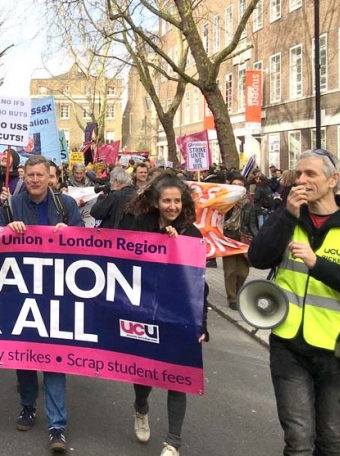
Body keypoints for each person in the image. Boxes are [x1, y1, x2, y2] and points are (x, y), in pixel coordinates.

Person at [248, 149, 340, 456]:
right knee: (297, 439)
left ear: (333, 180)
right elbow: (258, 257)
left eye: (310, 174)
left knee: (329, 438)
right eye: (298, 174)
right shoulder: (289, 216)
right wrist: (286, 216)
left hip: (338, 349)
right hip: (288, 344)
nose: (302, 180)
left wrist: (317, 265)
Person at [0, 155, 84, 453]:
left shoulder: (66, 206)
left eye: (39, 175)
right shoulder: (10, 206)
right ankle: (28, 406)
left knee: (55, 358)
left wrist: (68, 234)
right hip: (20, 291)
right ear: (24, 175)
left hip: (57, 293)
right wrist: (7, 230)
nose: (34, 179)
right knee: (25, 355)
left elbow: (87, 241)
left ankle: (57, 425)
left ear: (50, 177)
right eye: (29, 174)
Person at [122, 174, 209, 456]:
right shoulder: (142, 226)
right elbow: (128, 262)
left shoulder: (191, 233)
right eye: (167, 201)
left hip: (179, 315)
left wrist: (202, 323)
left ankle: (173, 442)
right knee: (145, 373)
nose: (172, 206)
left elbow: (199, 285)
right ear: (156, 203)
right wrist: (161, 240)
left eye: (176, 201)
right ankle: (141, 408)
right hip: (145, 311)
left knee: (177, 378)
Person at [221, 176, 257, 311]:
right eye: (233, 184)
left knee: (243, 271)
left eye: (239, 185)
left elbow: (252, 223)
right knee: (230, 271)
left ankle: (239, 292)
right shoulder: (225, 203)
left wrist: (256, 237)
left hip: (243, 239)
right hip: (228, 238)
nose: (236, 187)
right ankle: (232, 298)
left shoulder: (249, 204)